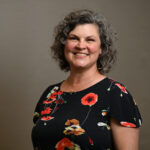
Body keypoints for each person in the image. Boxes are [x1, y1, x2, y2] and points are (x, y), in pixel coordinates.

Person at [32, 9, 142, 150]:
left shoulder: (117, 94)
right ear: (64, 44)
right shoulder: (50, 94)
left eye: (90, 40)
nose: (81, 45)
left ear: (101, 48)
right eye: (74, 38)